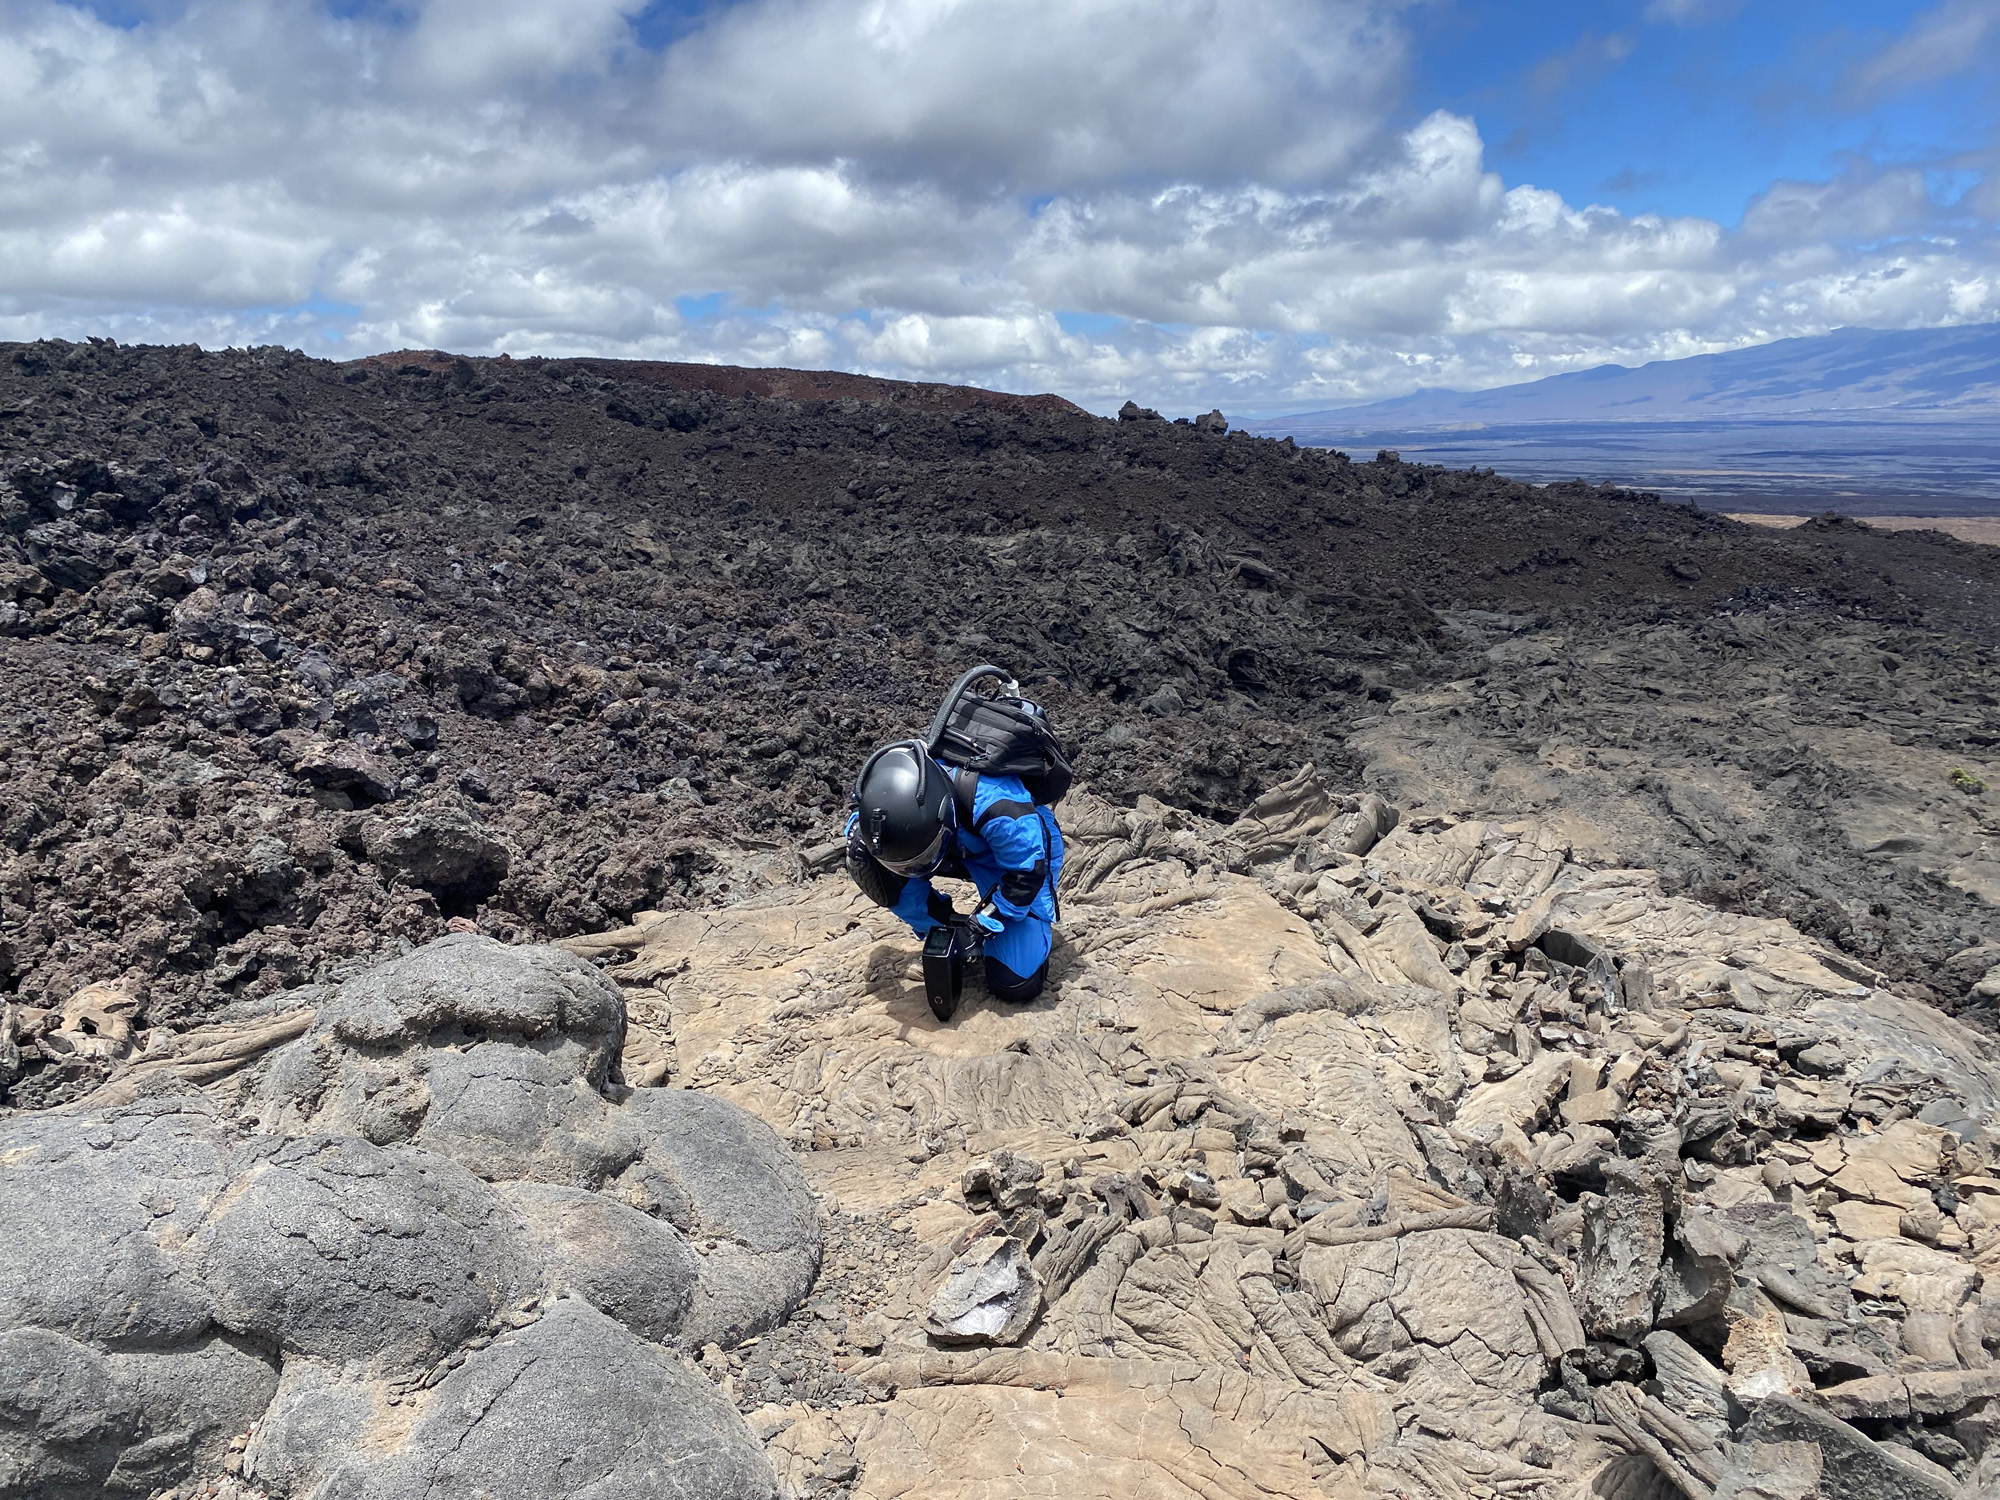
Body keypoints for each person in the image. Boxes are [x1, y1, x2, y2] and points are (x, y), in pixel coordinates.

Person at [845, 738, 1064, 1003]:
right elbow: (859, 835)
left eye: (920, 863)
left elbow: (1026, 874)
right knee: (869, 865)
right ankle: (943, 928)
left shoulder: (1000, 808)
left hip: (1009, 857)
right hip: (950, 845)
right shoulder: (879, 799)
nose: (915, 871)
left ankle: (1025, 936)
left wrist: (982, 925)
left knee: (1014, 983)